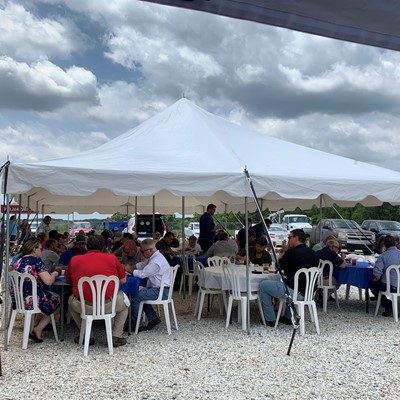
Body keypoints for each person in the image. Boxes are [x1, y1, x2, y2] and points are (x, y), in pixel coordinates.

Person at [66, 235, 128, 347]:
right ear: (103, 246)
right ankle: (116, 335)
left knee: (71, 301)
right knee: (125, 304)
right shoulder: (111, 258)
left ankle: (86, 335)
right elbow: (123, 280)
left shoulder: (74, 260)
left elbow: (69, 281)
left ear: (87, 246)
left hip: (84, 306)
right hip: (108, 304)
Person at [258, 229, 318, 326]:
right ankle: (287, 317)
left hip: (295, 293)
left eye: (289, 237)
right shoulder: (313, 253)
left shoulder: (292, 253)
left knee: (263, 285)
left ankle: (269, 319)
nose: (288, 240)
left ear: (296, 238)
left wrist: (282, 255)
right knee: (290, 283)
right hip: (309, 293)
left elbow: (278, 266)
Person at [11, 239, 61, 342]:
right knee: (59, 299)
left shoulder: (18, 261)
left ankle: (34, 326)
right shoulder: (36, 261)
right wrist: (54, 274)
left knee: (45, 297)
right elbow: (48, 281)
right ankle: (38, 328)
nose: (41, 251)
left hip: (19, 299)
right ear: (34, 250)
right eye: (40, 249)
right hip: (32, 299)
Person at [131, 239, 171, 331]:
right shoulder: (156, 257)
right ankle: (152, 317)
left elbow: (143, 274)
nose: (141, 253)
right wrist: (131, 267)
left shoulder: (155, 262)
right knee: (139, 293)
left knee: (135, 295)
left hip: (161, 291)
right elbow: (143, 264)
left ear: (151, 250)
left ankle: (136, 324)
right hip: (162, 289)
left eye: (142, 251)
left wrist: (131, 271)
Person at [369, 235, 400, 317]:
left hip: (391, 285)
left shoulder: (383, 256)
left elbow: (377, 273)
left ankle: (388, 305)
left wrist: (377, 278)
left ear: (385, 245)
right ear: (395, 243)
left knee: (373, 285)